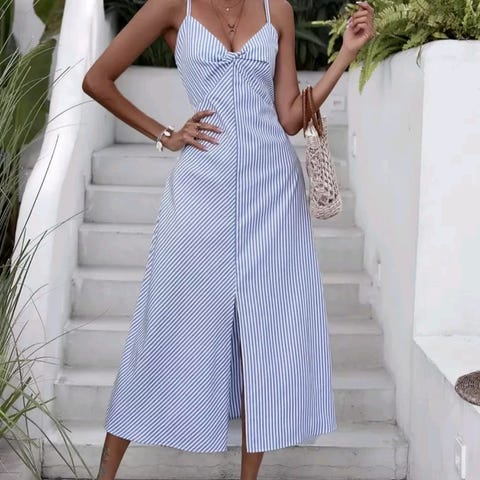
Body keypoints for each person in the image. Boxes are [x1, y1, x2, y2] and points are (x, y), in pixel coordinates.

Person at [82, 0, 375, 479]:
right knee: (164, 325)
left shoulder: (277, 10)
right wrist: (164, 134)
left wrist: (344, 55)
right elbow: (97, 79)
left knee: (264, 336)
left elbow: (289, 118)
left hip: (272, 192)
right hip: (201, 187)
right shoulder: (172, 5)